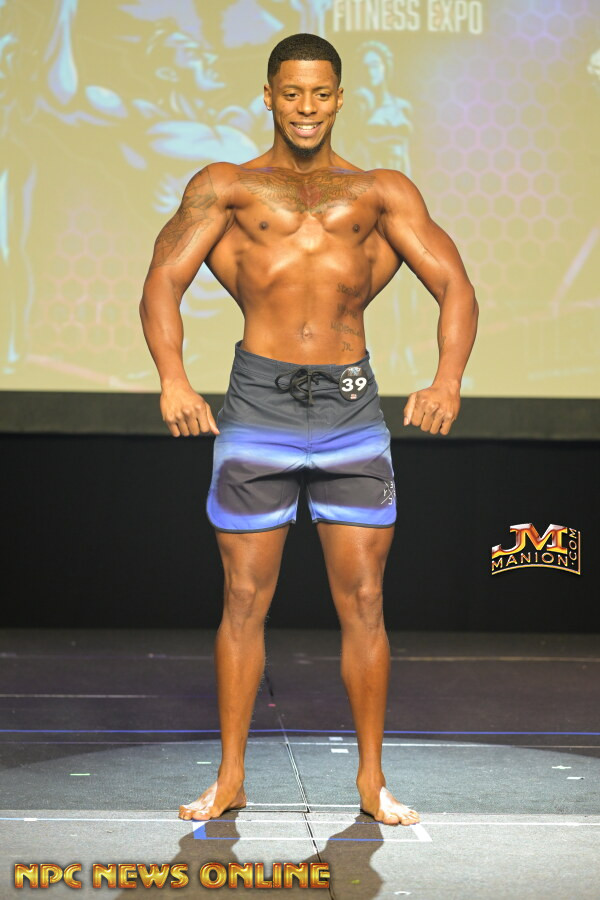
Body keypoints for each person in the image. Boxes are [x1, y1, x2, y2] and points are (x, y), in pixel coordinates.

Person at [139, 33, 478, 827]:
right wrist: (173, 378)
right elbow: (162, 279)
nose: (305, 107)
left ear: (339, 99)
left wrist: (448, 379)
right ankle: (230, 777)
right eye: (291, 92)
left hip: (349, 411)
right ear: (268, 95)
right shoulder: (226, 187)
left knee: (364, 599)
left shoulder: (379, 193)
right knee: (243, 597)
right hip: (258, 406)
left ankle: (371, 781)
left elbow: (454, 283)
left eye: (320, 93)